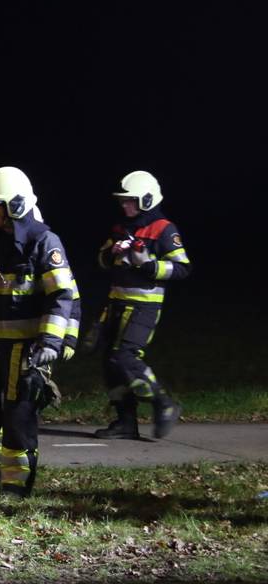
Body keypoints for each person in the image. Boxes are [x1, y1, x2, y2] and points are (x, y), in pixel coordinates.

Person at [0, 166, 79, 498]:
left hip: (25, 350)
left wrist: (52, 341)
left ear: (16, 204)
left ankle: (16, 485)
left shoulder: (44, 243)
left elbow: (62, 295)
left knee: (18, 418)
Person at [92, 171, 190, 440]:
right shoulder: (121, 227)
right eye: (123, 201)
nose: (125, 206)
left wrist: (148, 265)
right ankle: (125, 421)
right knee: (109, 364)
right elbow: (100, 261)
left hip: (144, 307)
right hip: (116, 305)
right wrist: (110, 254)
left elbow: (182, 268)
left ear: (146, 199)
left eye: (130, 201)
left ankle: (162, 403)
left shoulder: (164, 229)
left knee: (124, 358)